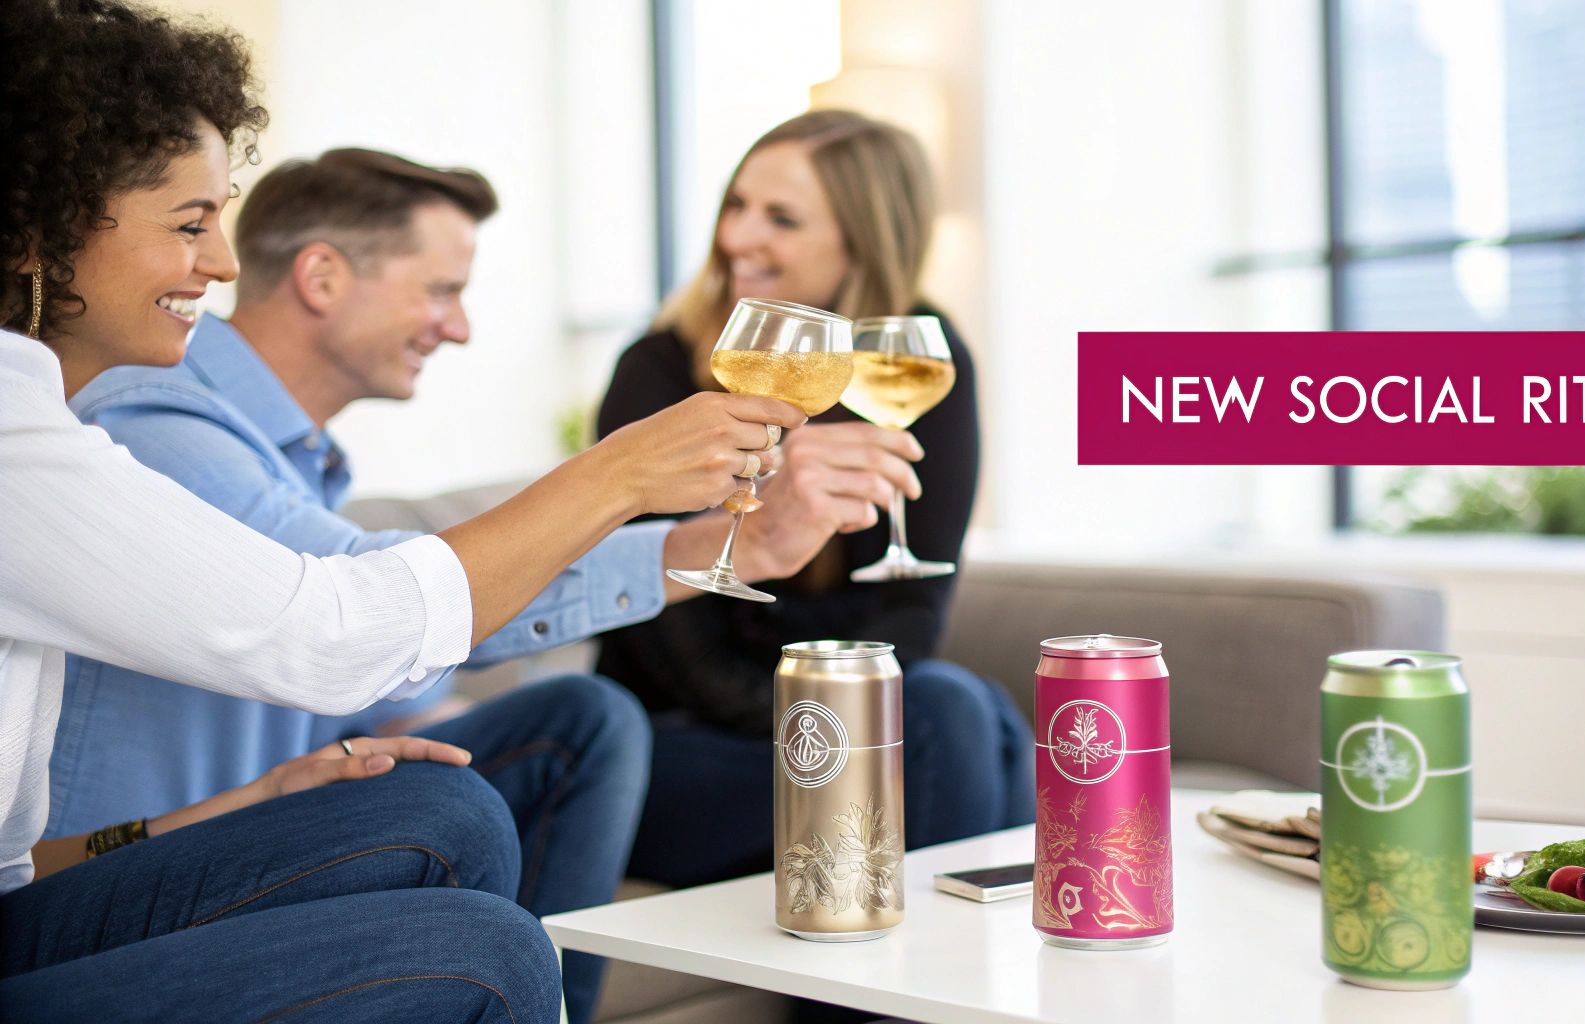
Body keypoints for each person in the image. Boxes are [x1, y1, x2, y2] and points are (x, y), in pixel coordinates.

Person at [0, 3, 799, 1020]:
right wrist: (618, 479)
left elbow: (18, 865)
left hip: (41, 895)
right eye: (190, 224)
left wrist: (249, 803)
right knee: (489, 951)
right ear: (39, 230)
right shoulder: (85, 432)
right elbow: (338, 631)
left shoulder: (67, 423)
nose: (222, 263)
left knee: (447, 805)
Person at [595, 110, 1035, 888]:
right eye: (737, 205)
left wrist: (835, 716)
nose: (737, 237)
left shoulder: (916, 360)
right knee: (962, 719)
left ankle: (913, 957)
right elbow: (672, 643)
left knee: (954, 704)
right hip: (681, 737)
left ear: (862, 240)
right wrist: (825, 724)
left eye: (782, 219)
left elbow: (913, 613)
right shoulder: (659, 370)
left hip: (828, 725)